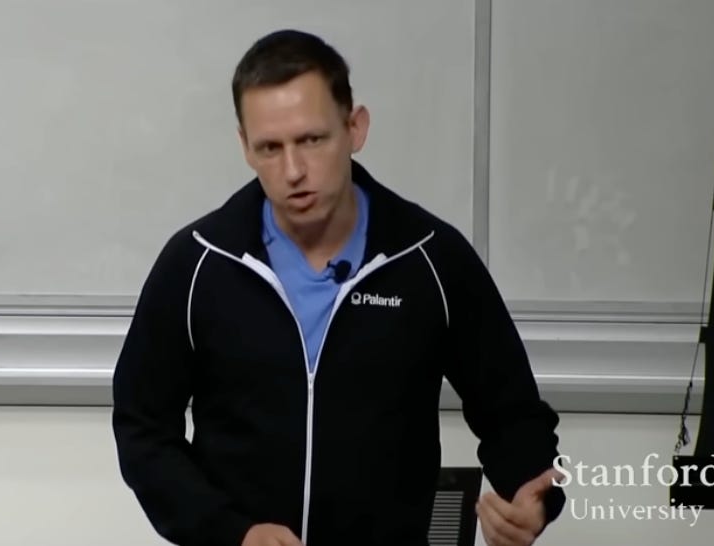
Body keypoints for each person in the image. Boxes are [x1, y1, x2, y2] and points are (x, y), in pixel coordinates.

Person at [112, 29, 565, 546]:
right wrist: (230, 532)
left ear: (355, 128)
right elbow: (143, 427)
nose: (293, 171)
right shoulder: (197, 263)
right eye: (270, 148)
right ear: (244, 147)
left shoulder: (430, 259)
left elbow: (513, 414)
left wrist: (533, 499)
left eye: (312, 140)